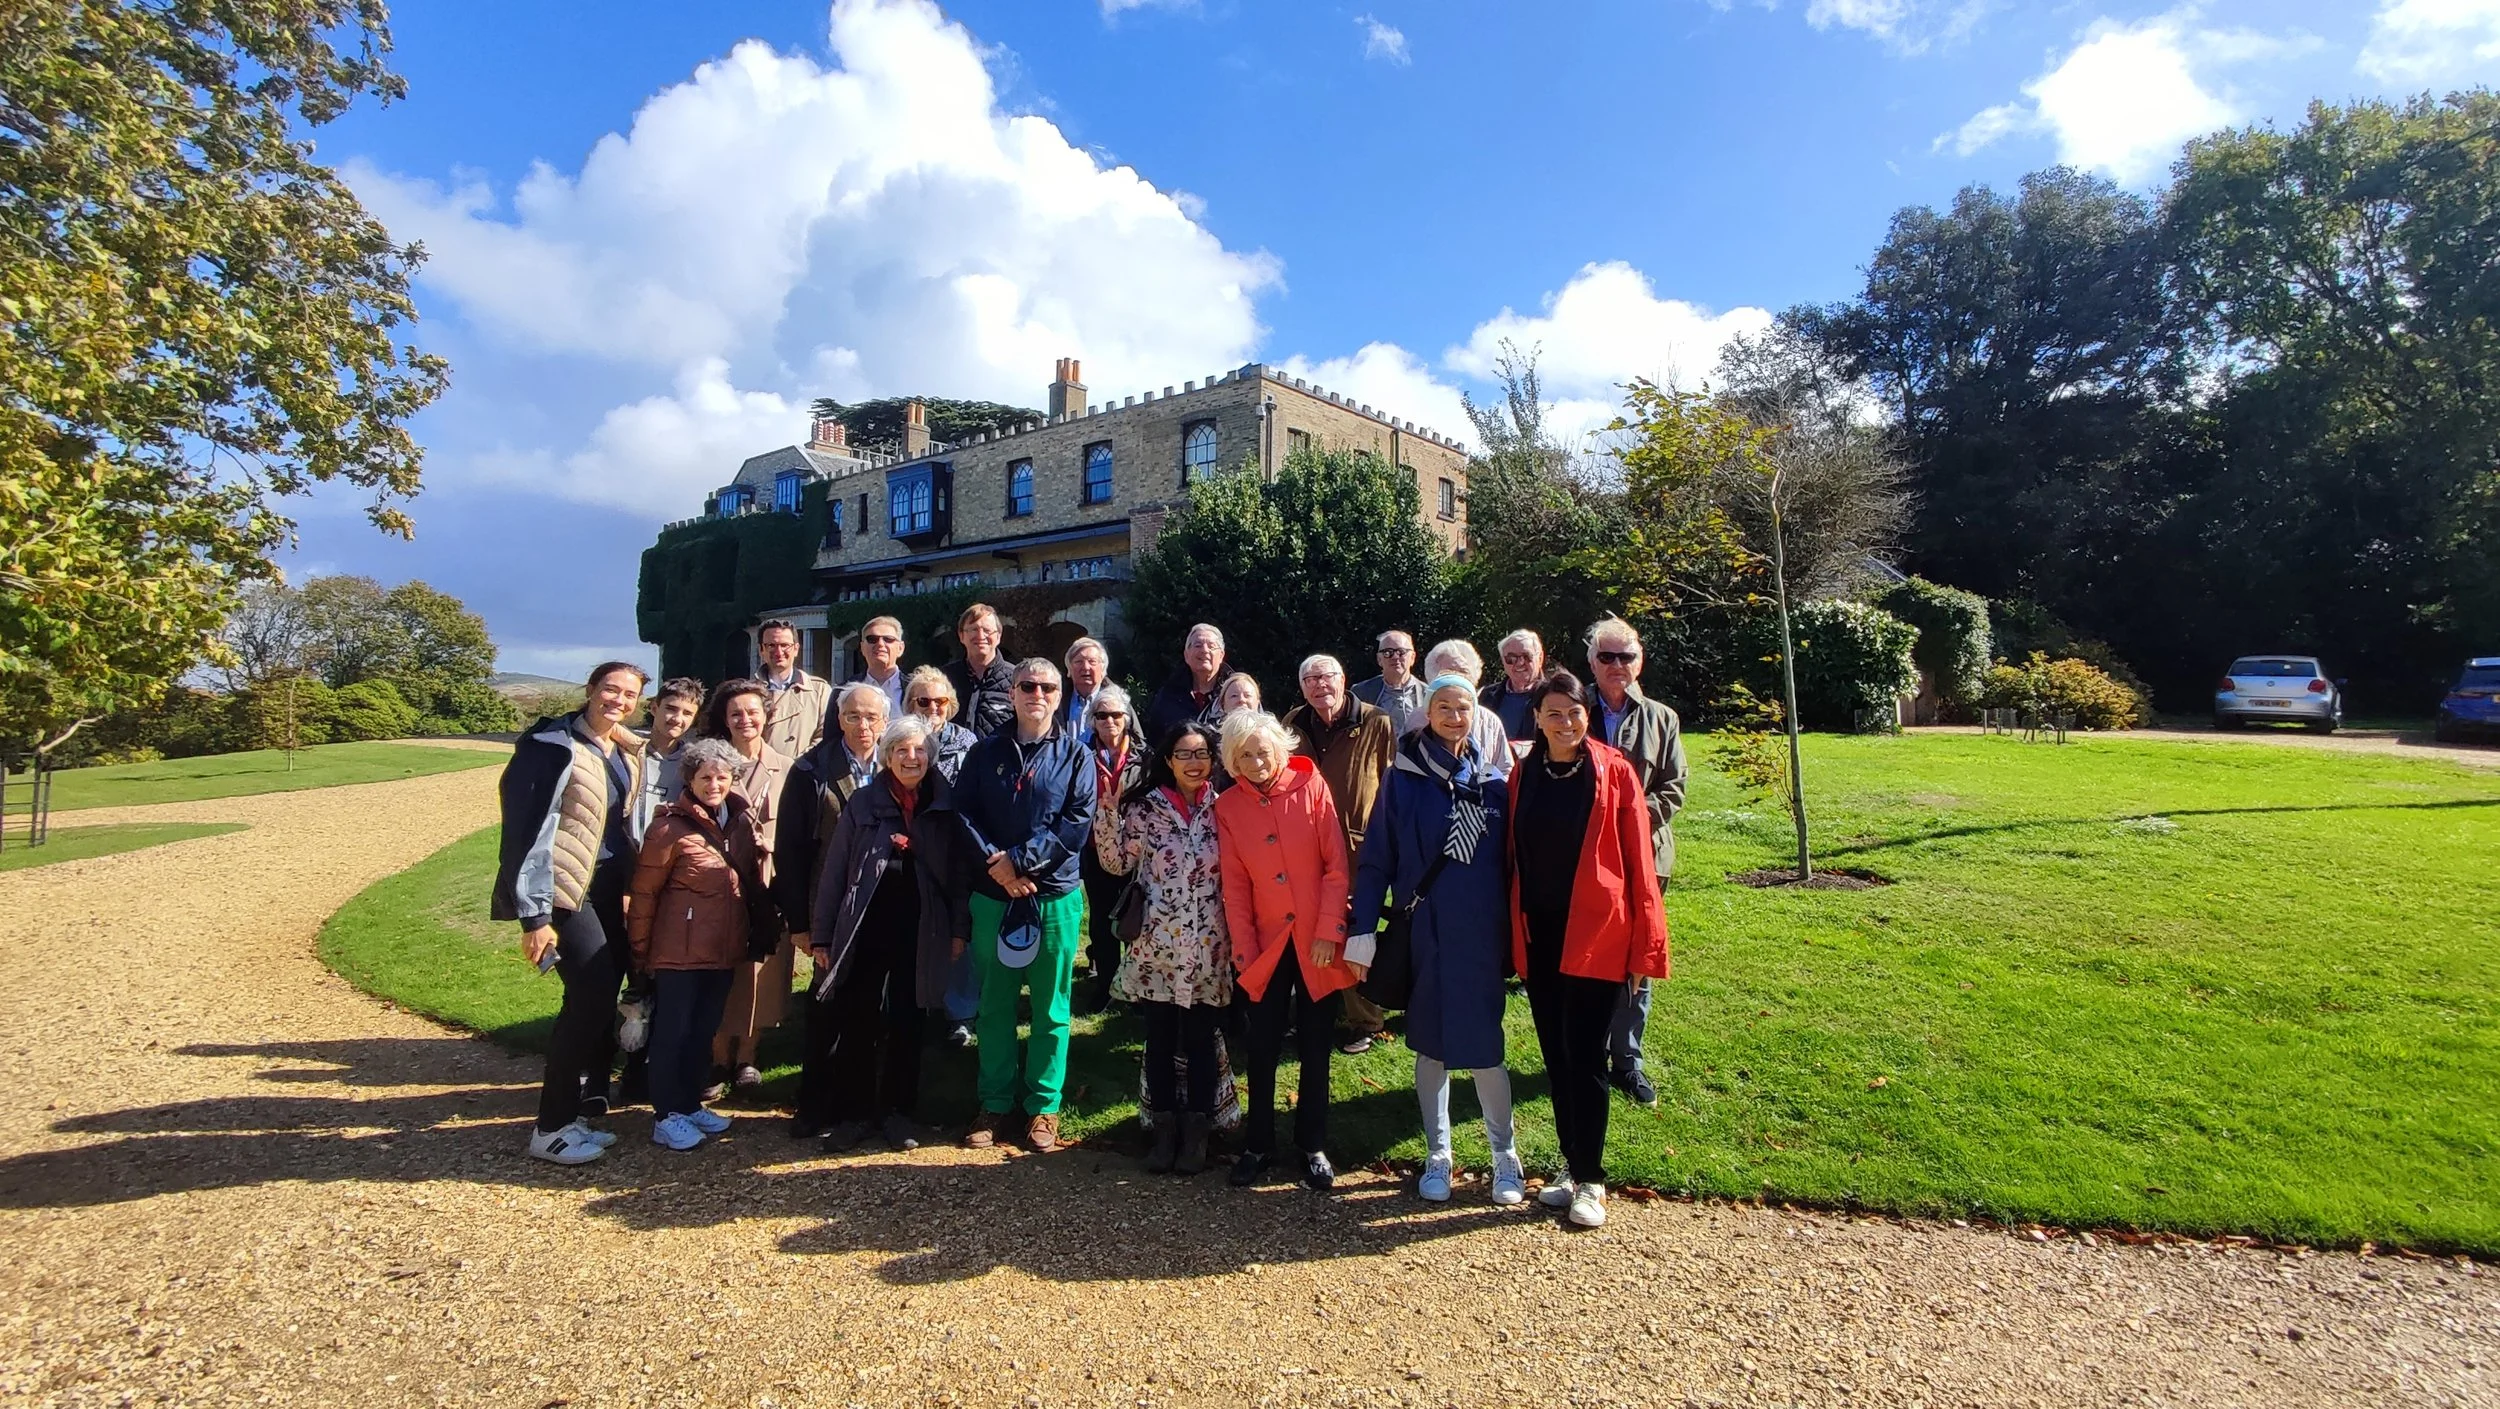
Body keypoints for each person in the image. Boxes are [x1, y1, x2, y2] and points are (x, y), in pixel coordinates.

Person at [1349, 676, 1523, 1207]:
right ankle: (1438, 1154)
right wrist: (1361, 930)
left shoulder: (1493, 783)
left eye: (1462, 707)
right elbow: (1378, 854)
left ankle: (1503, 1156)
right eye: (1442, 707)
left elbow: (1513, 866)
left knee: (1485, 1048)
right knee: (1429, 1045)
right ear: (1426, 713)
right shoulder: (1403, 779)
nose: (1452, 715)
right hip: (1424, 933)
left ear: (1475, 714)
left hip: (1479, 935)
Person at [1508, 669, 1669, 1229]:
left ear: (1586, 715)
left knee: (1587, 1056)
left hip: (1598, 935)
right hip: (1542, 934)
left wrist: (1645, 945)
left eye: (1574, 712)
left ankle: (1592, 1178)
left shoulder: (1614, 773)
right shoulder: (1522, 774)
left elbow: (1640, 866)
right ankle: (1572, 1166)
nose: (1565, 722)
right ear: (1537, 719)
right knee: (1555, 1056)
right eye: (1553, 712)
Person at [490, 661, 648, 1165]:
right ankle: (550, 1126)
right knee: (590, 996)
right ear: (590, 690)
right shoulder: (550, 748)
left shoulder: (622, 748)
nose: (618, 700)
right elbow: (523, 833)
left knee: (595, 1000)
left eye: (629, 694)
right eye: (610, 690)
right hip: (565, 891)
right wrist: (534, 918)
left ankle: (570, 1113)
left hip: (606, 890)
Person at [802, 714, 971, 1152]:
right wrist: (822, 934)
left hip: (922, 926)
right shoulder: (863, 803)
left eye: (919, 750)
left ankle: (898, 1112)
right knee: (858, 1017)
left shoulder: (945, 805)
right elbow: (836, 871)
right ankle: (854, 1114)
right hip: (867, 926)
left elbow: (956, 875)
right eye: (901, 750)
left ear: (931, 758)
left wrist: (958, 930)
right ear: (886, 757)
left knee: (908, 1020)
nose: (911, 758)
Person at [956, 657, 1095, 1152]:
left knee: (1051, 1009)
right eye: (1027, 686)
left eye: (1047, 687)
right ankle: (994, 1104)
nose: (1037, 694)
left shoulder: (1077, 757)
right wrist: (999, 867)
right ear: (1012, 693)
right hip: (993, 896)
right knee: (994, 1004)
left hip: (1053, 896)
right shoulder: (984, 752)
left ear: (1060, 696)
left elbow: (1075, 825)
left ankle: (1043, 1108)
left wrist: (1020, 863)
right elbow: (963, 814)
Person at [1213, 709, 1354, 1191]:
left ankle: (1312, 1145)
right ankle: (1258, 1144)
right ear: (1232, 761)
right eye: (1244, 755)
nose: (1256, 762)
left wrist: (1329, 931)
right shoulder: (1227, 808)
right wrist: (1246, 953)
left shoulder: (1312, 786)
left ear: (1281, 747)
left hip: (1316, 942)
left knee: (1316, 1048)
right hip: (1266, 947)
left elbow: (1336, 866)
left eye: (1263, 751)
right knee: (1262, 1047)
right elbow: (1234, 886)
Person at [1095, 721, 1232, 1174]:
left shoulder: (1226, 809)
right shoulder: (1146, 809)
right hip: (1156, 945)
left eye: (1202, 754)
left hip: (1209, 945)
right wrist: (1107, 812)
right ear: (1168, 761)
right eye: (1184, 754)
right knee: (1157, 1041)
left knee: (1199, 1040)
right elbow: (1116, 863)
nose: (1194, 763)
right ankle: (1162, 1132)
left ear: (1214, 760)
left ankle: (1198, 1137)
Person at [625, 737, 767, 1151]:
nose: (715, 784)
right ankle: (666, 1114)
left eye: (723, 776)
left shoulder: (738, 822)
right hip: (677, 953)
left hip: (722, 950)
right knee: (673, 1033)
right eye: (706, 776)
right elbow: (645, 894)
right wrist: (640, 950)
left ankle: (688, 1104)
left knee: (703, 1030)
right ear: (690, 779)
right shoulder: (668, 827)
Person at [768, 681, 891, 1123]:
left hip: (882, 906)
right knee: (825, 1002)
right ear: (838, 720)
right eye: (853, 716)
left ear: (884, 722)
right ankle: (815, 1102)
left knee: (871, 1007)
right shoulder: (811, 770)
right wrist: (799, 921)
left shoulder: (895, 766)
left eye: (872, 717)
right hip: (830, 904)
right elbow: (791, 850)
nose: (863, 726)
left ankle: (861, 1103)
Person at [1584, 618, 1688, 1108]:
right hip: (1582, 860)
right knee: (1586, 957)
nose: (1617, 666)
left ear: (1639, 660)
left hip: (1645, 857)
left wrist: (1626, 817)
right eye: (1607, 657)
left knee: (1637, 959)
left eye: (1625, 656)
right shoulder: (1567, 708)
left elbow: (1673, 786)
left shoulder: (1662, 718)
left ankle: (1627, 1060)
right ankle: (1585, 1052)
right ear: (1592, 661)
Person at [1280, 653, 1396, 1057]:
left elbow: (1390, 782)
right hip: (1307, 846)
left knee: (1356, 930)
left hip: (1359, 846)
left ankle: (1365, 1019)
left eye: (1326, 676)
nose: (1319, 685)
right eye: (1309, 679)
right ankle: (1316, 1009)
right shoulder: (1293, 724)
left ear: (1343, 678)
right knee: (1315, 928)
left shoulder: (1375, 721)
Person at [703, 678, 798, 1097]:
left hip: (769, 883)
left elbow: (797, 829)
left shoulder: (789, 766)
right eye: (736, 713)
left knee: (762, 972)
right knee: (719, 966)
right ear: (724, 719)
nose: (745, 720)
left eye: (753, 712)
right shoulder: (709, 763)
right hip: (717, 882)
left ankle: (748, 1058)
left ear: (766, 716)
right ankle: (717, 1056)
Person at [1076, 683, 1146, 1014]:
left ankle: (1135, 988)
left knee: (1136, 918)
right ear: (1093, 721)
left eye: (1116, 714)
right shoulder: (1080, 756)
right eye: (1101, 715)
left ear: (1127, 718)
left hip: (1136, 851)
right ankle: (1105, 985)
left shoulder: (1144, 758)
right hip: (1095, 849)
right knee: (1102, 922)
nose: (1109, 722)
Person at [1421, 639, 1515, 778]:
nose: (1457, 678)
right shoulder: (1417, 718)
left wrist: (1484, 791)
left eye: (1464, 672)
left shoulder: (1490, 721)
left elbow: (1503, 769)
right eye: (1449, 672)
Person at [630, 676, 706, 845]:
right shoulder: (627, 752)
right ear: (654, 708)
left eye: (687, 713)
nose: (677, 719)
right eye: (671, 709)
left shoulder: (694, 764)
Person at [755, 618, 833, 758]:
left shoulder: (819, 690)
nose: (778, 652)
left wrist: (798, 766)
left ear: (796, 649)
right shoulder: (749, 692)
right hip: (762, 772)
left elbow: (825, 735)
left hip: (802, 772)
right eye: (771, 645)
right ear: (761, 650)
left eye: (785, 645)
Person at [1144, 623, 1235, 740]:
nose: (1205, 650)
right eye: (1198, 645)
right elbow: (1155, 741)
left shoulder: (1237, 691)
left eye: (1211, 646)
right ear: (1186, 655)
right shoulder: (1169, 694)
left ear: (1221, 655)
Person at [942, 602, 1016, 738]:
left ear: (998, 636)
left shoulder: (1017, 679)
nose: (980, 636)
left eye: (987, 630)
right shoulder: (944, 679)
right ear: (961, 636)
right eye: (973, 629)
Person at [902, 665, 978, 783]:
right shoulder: (899, 740)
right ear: (911, 705)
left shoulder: (966, 741)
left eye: (940, 701)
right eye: (924, 701)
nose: (933, 708)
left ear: (949, 704)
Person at [1352, 629, 1427, 737]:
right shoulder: (1361, 693)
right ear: (1379, 659)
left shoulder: (1429, 694)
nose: (1395, 657)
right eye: (1387, 653)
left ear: (1412, 658)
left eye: (1401, 652)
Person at [1481, 630, 1545, 742]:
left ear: (1540, 658)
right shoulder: (1487, 696)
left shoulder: (1552, 695)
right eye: (1511, 658)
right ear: (1503, 662)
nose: (1520, 663)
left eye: (1526, 656)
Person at [847, 615, 909, 715]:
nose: (880, 644)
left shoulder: (915, 689)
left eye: (888, 639)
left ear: (900, 648)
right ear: (862, 648)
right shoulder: (844, 690)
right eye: (872, 639)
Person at [1062, 636, 1112, 735]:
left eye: (1092, 662)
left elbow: (1137, 743)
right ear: (1069, 669)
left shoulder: (1118, 702)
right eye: (1078, 662)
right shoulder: (1056, 700)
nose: (1085, 667)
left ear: (1103, 669)